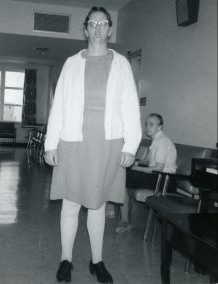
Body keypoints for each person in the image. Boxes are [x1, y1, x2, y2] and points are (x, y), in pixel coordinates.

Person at [44, 7, 141, 283]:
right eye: (93, 23)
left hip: (107, 144)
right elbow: (59, 106)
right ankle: (66, 260)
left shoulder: (121, 64)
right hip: (73, 141)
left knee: (98, 206)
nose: (98, 28)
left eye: (104, 23)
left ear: (110, 29)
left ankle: (97, 261)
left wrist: (131, 146)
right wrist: (51, 144)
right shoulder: (71, 63)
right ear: (85, 29)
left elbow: (130, 108)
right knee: (71, 203)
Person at [115, 113, 177, 233]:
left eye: (151, 124)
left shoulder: (162, 141)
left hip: (165, 181)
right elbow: (150, 163)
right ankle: (123, 218)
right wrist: (134, 163)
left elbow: (158, 168)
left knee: (124, 176)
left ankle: (124, 220)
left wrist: (134, 168)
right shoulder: (157, 140)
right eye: (146, 124)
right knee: (123, 174)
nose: (147, 127)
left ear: (160, 127)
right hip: (159, 177)